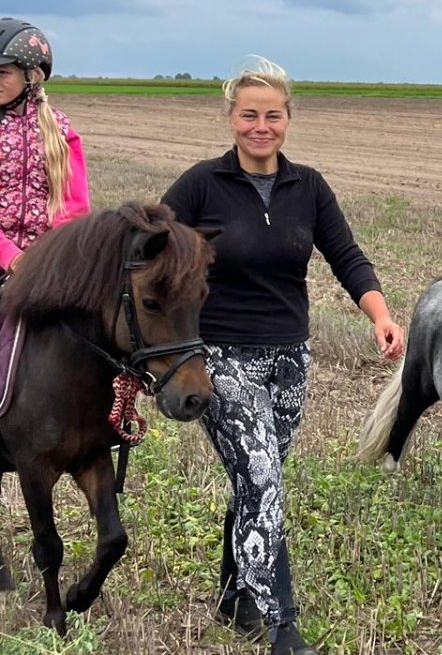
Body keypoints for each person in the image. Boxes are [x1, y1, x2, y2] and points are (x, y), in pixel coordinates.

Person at [161, 57, 404, 655]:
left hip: (290, 357)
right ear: (231, 119)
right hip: (220, 355)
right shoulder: (200, 185)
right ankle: (282, 626)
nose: (260, 126)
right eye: (249, 115)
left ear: (288, 119)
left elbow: (346, 256)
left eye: (272, 115)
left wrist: (380, 316)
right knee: (264, 479)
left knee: (255, 480)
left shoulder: (309, 187)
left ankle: (233, 592)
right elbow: (149, 247)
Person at [0, 17, 89, 274]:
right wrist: (12, 257)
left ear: (32, 75)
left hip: (44, 266)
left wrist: (52, 254)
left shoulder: (60, 130)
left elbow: (75, 206)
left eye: (3, 73)